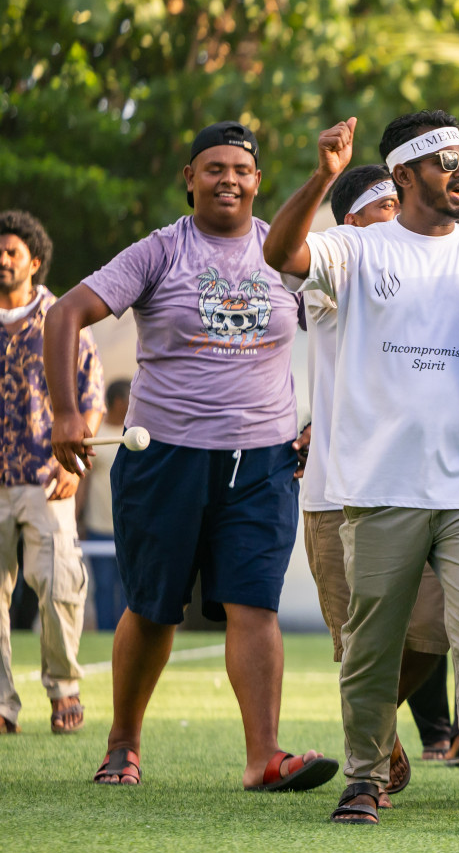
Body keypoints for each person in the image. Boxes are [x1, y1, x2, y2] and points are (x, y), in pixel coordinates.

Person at [264, 110, 459, 834]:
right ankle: (363, 779)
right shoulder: (357, 247)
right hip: (381, 486)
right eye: (444, 161)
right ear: (403, 175)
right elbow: (278, 252)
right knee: (372, 646)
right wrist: (324, 176)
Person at [45, 121, 336, 792]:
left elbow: (343, 334)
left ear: (258, 181)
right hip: (164, 456)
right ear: (190, 178)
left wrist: (326, 419)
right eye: (214, 168)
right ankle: (123, 744)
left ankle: (264, 757)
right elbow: (65, 315)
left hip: (262, 460)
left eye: (240, 168)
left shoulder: (286, 251)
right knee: (152, 606)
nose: (228, 179)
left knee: (254, 603)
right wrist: (65, 411)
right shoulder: (158, 252)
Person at [277, 162, 450, 807]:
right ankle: (371, 759)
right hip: (332, 493)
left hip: (416, 487)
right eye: (384, 206)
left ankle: (372, 723)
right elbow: (293, 259)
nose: (397, 216)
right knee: (356, 642)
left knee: (434, 632)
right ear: (351, 223)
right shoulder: (338, 274)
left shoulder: (433, 263)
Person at [0, 210, 102, 735]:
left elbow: (92, 399)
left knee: (60, 587)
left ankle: (63, 689)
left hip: (49, 477)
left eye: (11, 252)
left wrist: (77, 469)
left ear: (34, 263)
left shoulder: (60, 317)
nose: (1, 259)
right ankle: (1, 705)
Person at [79, 379, 131, 633]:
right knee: (103, 585)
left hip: (128, 526)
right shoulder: (96, 434)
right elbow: (83, 481)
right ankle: (104, 634)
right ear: (119, 401)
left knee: (127, 586)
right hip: (98, 524)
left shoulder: (133, 435)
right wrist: (77, 519)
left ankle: (124, 634)